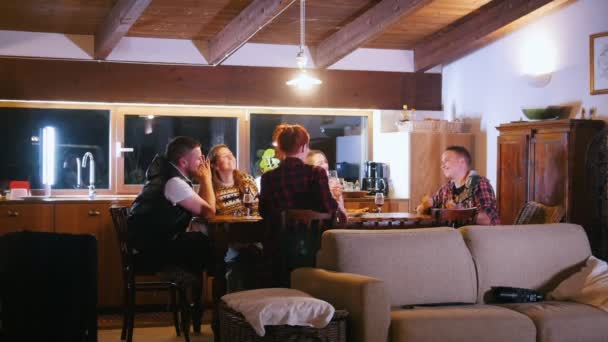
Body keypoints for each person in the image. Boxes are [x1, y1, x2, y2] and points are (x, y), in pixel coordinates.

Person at [128, 136, 216, 273]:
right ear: (183, 162)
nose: (203, 163)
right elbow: (209, 213)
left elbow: (204, 208)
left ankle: (192, 286)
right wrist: (206, 178)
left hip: (148, 246)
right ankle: (206, 290)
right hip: (150, 253)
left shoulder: (168, 176)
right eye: (199, 158)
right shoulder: (174, 182)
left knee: (199, 241)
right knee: (204, 243)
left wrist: (204, 180)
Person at [259, 124, 346, 221]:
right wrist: (339, 205)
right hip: (315, 235)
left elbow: (263, 212)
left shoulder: (268, 177)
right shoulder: (316, 172)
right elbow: (328, 207)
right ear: (304, 147)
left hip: (279, 235)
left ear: (281, 148)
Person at [207, 144, 260, 292]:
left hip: (250, 234)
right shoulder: (210, 187)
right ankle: (232, 303)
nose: (231, 157)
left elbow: (255, 210)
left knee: (252, 255)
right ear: (215, 165)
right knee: (237, 258)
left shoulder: (246, 180)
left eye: (231, 154)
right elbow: (210, 214)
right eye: (224, 156)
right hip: (225, 238)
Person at [416, 145, 500, 225]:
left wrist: (461, 212)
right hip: (452, 237)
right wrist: (424, 206)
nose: (442, 166)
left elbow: (489, 219)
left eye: (446, 160)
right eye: (442, 162)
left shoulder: (479, 183)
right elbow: (431, 207)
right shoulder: (446, 189)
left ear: (462, 162)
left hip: (476, 238)